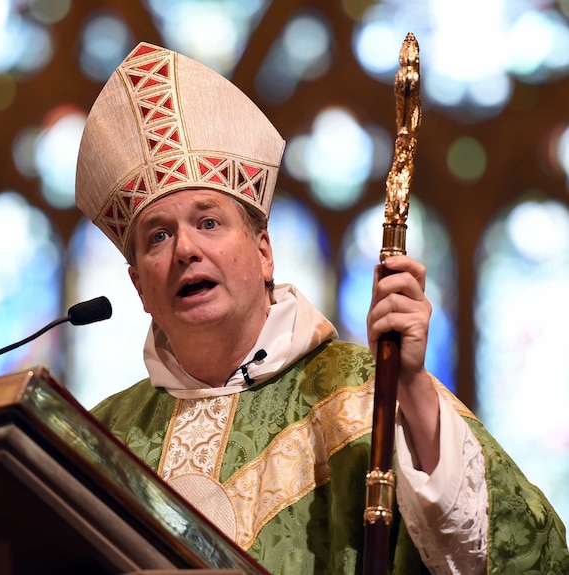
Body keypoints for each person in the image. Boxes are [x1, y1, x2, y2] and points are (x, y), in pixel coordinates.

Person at [75, 41, 568, 574]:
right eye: (158, 236)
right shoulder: (97, 440)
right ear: (138, 286)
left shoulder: (360, 397)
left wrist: (413, 391)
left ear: (264, 252)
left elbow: (523, 555)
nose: (186, 249)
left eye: (210, 222)